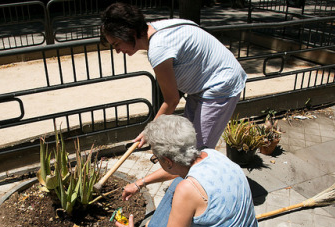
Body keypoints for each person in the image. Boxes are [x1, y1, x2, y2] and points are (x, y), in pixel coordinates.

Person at [115, 115, 258, 227]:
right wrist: (140, 183)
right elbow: (180, 169)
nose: (156, 160)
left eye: (155, 158)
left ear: (167, 161)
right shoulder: (212, 155)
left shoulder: (188, 190)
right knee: (180, 183)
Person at [101, 2, 247, 149]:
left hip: (221, 83)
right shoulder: (156, 27)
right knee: (188, 139)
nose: (118, 51)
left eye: (116, 44)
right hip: (202, 84)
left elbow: (171, 100)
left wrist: (149, 131)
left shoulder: (158, 48)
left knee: (199, 150)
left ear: (130, 32)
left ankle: (202, 170)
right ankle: (182, 170)